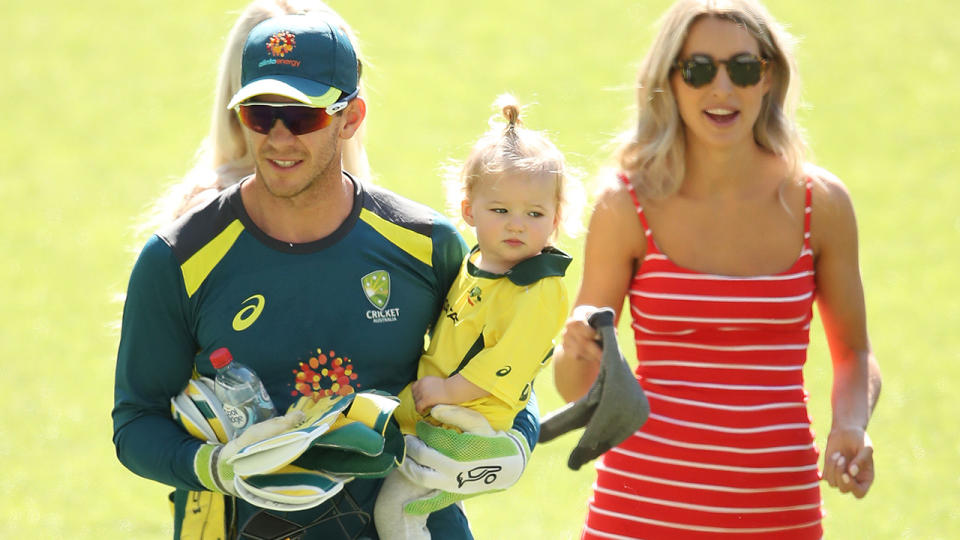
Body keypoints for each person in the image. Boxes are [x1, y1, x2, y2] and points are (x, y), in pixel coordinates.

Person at [113, 9, 536, 540]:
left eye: (304, 116)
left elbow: (507, 366)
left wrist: (515, 442)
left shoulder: (426, 245)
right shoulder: (176, 258)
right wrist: (218, 467)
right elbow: (136, 423)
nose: (279, 138)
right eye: (261, 114)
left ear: (351, 117)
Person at [552, 0, 882, 538]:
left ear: (768, 76)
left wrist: (850, 423)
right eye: (700, 69)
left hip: (782, 511)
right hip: (639, 513)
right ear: (671, 79)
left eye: (743, 69)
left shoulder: (819, 203)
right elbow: (578, 390)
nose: (722, 90)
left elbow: (854, 353)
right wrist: (572, 351)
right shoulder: (626, 204)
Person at [374, 95, 584, 539]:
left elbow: (503, 362)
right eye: (500, 210)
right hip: (440, 407)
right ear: (470, 210)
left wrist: (447, 389)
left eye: (534, 214)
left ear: (556, 220)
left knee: (395, 510)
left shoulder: (538, 287)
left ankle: (485, 459)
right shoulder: (475, 259)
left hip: (475, 417)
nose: (516, 225)